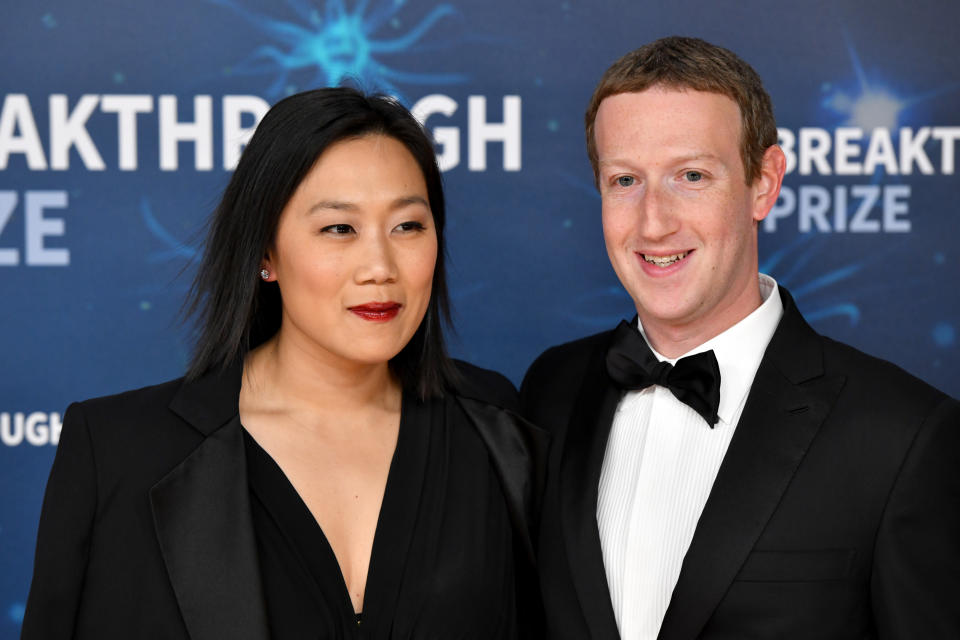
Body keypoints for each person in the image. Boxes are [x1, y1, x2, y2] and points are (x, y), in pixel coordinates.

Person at [22, 87, 547, 640]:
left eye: (408, 226)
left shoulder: (498, 428)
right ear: (265, 253)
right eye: (339, 228)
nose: (379, 266)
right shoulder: (118, 452)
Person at [521, 36, 960, 639]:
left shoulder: (902, 436)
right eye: (625, 181)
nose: (653, 221)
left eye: (691, 175)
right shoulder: (551, 391)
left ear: (764, 182)